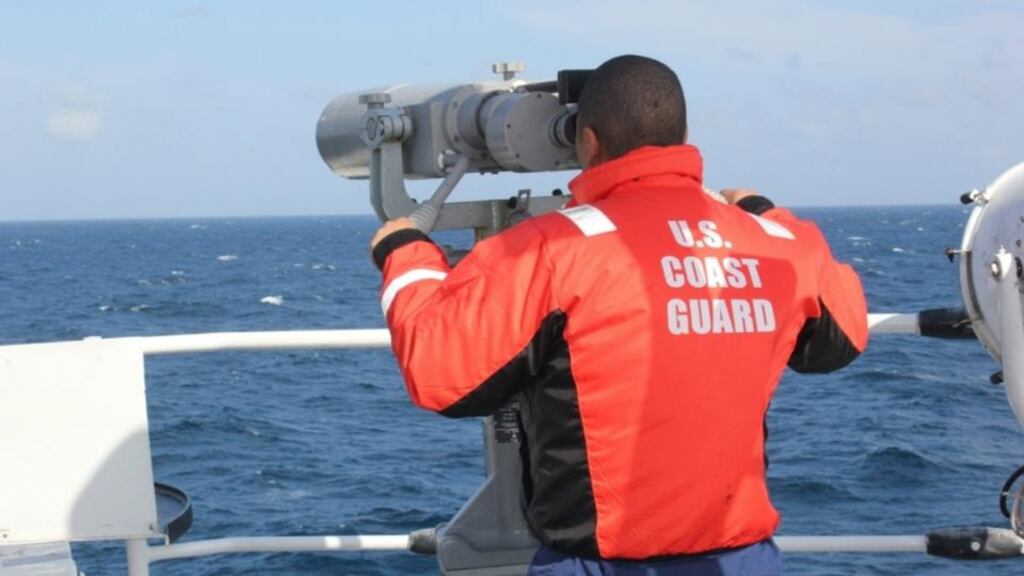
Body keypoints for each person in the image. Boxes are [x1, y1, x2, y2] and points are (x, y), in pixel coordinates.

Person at [369, 55, 868, 575]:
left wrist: (405, 254)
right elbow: (842, 337)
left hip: (599, 564)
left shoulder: (549, 250)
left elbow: (440, 374)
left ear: (588, 141)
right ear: (683, 135)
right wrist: (764, 212)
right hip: (745, 561)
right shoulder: (774, 244)